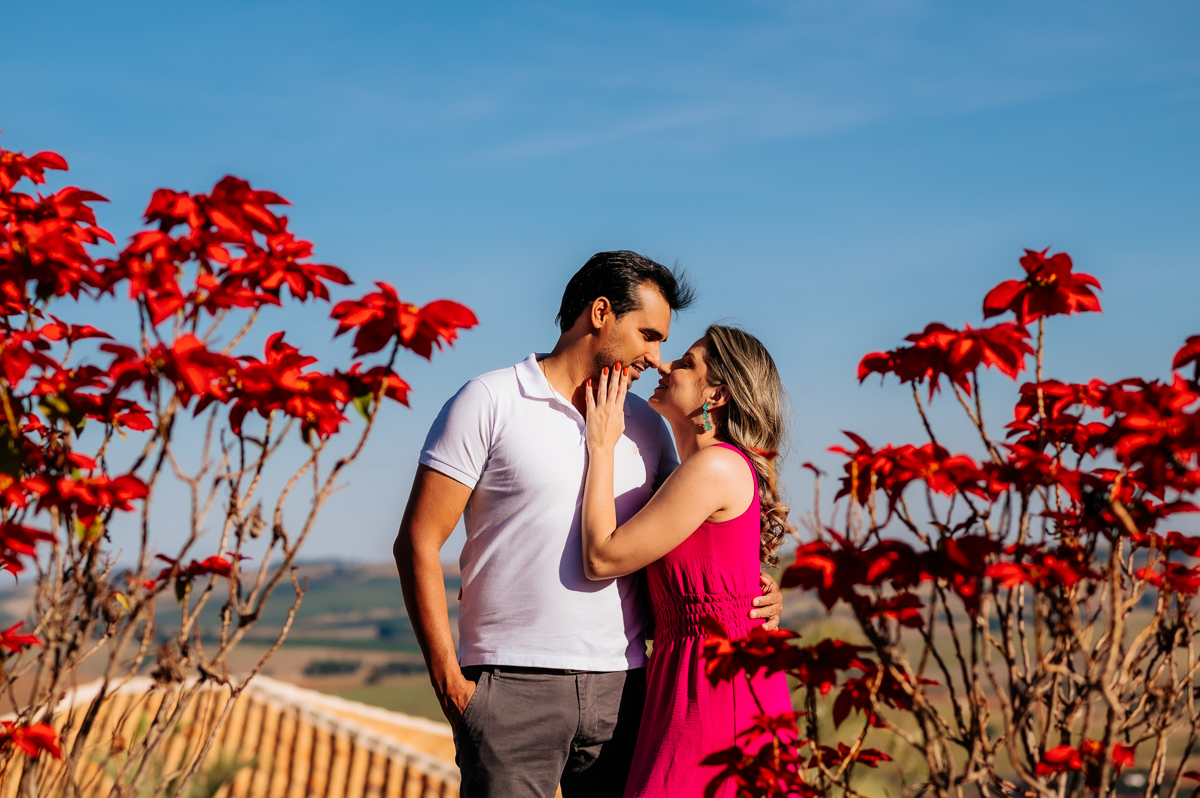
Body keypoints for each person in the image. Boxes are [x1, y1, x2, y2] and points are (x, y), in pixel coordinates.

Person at [393, 251, 783, 798]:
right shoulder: (489, 401)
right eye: (648, 335)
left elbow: (696, 530)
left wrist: (759, 586)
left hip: (627, 696)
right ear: (601, 312)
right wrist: (451, 686)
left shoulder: (648, 424)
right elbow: (418, 539)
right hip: (512, 689)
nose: (658, 358)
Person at [581, 324, 796, 798]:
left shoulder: (714, 467)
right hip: (690, 674)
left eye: (685, 363)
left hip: (713, 687)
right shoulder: (695, 473)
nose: (663, 364)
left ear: (716, 395)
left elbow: (602, 556)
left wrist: (601, 445)